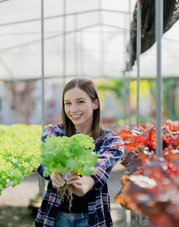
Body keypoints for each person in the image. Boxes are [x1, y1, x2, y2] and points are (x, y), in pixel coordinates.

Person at [35, 78, 124, 227]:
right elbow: (41, 159)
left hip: (92, 219)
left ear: (95, 103)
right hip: (55, 218)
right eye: (68, 103)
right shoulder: (53, 132)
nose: (73, 109)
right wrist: (52, 173)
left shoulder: (110, 140)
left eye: (80, 102)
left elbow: (102, 164)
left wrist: (86, 182)